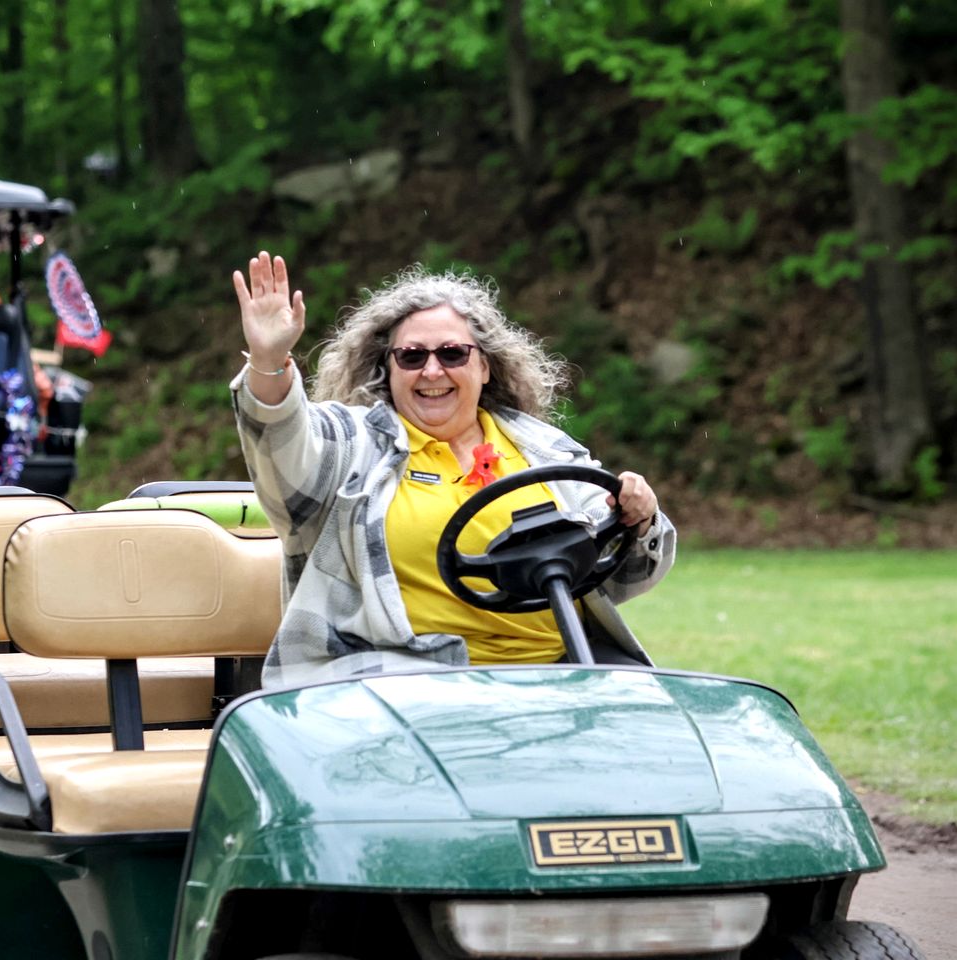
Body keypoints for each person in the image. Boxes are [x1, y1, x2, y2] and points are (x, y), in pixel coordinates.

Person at [231, 251, 677, 689]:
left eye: (451, 353)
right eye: (411, 356)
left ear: (484, 366)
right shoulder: (351, 443)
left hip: (564, 672)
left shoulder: (544, 448)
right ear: (387, 370)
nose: (431, 370)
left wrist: (638, 520)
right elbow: (280, 451)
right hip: (403, 679)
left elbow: (621, 576)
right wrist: (268, 362)